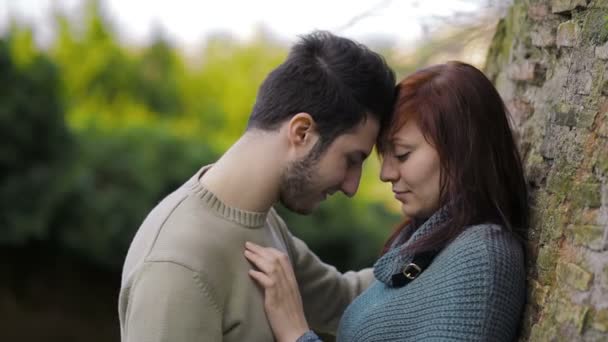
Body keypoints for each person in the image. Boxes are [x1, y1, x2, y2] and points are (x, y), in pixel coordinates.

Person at [118, 31, 396, 341]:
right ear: (302, 132)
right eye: (351, 159)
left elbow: (347, 298)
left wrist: (445, 241)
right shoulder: (177, 263)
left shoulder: (259, 220)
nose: (352, 186)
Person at [245, 61, 530, 342]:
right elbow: (339, 294)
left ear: (462, 152)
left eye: (403, 154)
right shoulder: (425, 241)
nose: (386, 174)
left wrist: (295, 334)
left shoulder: (482, 257)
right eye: (385, 157)